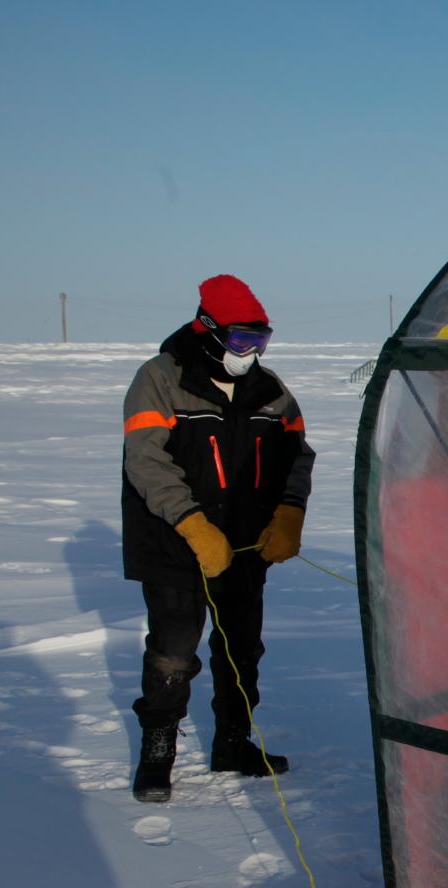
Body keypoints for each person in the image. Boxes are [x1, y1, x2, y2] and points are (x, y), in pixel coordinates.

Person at [121, 275, 314, 802]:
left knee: (241, 651)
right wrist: (191, 522)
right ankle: (157, 755)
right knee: (172, 654)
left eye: (261, 340)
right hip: (176, 547)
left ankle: (234, 743)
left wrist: (289, 512)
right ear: (208, 330)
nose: (251, 352)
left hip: (245, 549)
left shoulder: (270, 390)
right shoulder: (161, 379)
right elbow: (146, 459)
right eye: (241, 340)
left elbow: (298, 456)